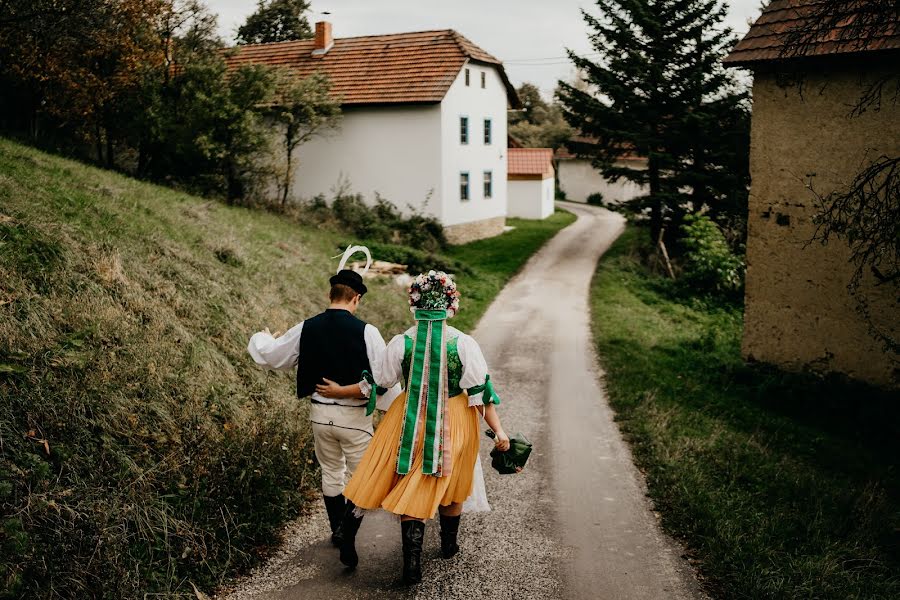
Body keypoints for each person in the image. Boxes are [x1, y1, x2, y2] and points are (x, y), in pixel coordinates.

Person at [317, 270, 511, 585]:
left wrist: (344, 391)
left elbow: (380, 382)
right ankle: (447, 545)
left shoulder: (401, 342)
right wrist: (499, 432)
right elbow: (480, 395)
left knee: (390, 474)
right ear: (451, 305)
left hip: (406, 415)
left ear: (415, 304)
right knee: (451, 478)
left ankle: (394, 553)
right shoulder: (464, 344)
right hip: (454, 417)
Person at [247, 258, 398, 549]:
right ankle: (346, 531)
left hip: (319, 416)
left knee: (331, 472)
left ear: (330, 295)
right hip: (353, 419)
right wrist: (391, 405)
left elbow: (274, 356)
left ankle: (337, 530)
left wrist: (262, 338)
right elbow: (385, 377)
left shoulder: (307, 327)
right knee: (366, 477)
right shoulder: (367, 332)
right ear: (356, 298)